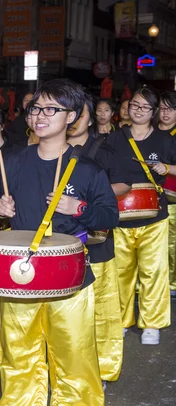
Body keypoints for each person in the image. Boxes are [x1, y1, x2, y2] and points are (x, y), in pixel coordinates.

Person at [0, 79, 119, 405]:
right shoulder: (14, 161)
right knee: (18, 349)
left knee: (74, 350)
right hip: (21, 272)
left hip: (68, 274)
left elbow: (109, 216)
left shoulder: (85, 168)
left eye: (50, 109)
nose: (40, 116)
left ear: (71, 116)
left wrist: (79, 208)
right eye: (36, 109)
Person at [105, 87, 176, 345]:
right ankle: (121, 320)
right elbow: (101, 169)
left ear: (153, 112)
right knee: (121, 272)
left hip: (154, 217)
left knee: (154, 271)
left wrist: (166, 167)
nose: (139, 110)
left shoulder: (165, 140)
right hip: (121, 216)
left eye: (145, 107)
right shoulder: (114, 139)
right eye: (135, 104)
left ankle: (152, 323)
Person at [67, 93, 124, 386]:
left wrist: (82, 201)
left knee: (99, 310)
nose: (75, 120)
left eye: (81, 114)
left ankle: (101, 366)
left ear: (91, 119)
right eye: (71, 113)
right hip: (60, 247)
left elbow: (124, 182)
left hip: (96, 241)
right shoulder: (47, 151)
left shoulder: (105, 148)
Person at [158, 91, 176, 296]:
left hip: (173, 199)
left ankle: (172, 283)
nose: (166, 113)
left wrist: (165, 167)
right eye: (162, 108)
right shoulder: (149, 132)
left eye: (170, 109)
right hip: (152, 199)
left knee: (172, 244)